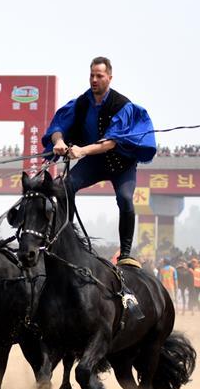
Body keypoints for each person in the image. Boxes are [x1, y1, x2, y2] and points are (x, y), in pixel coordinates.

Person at [43, 56, 157, 266]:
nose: (94, 79)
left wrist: (81, 150)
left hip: (121, 163)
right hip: (95, 163)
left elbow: (110, 143)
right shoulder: (81, 103)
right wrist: (58, 141)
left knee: (124, 198)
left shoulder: (122, 105)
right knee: (66, 185)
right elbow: (57, 126)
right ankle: (66, 239)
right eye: (91, 75)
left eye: (99, 76)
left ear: (109, 78)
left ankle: (125, 254)